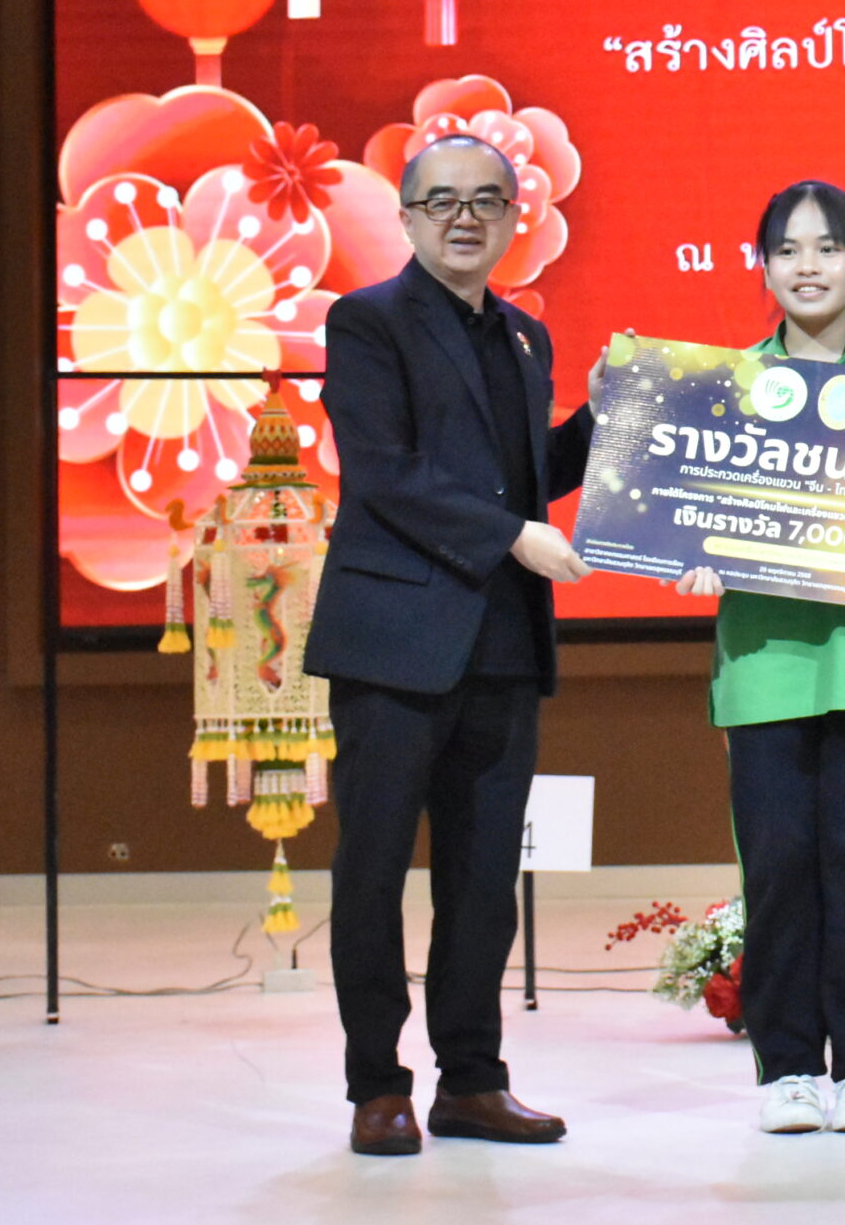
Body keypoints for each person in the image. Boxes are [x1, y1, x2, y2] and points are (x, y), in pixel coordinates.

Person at [304, 134, 597, 1157]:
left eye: (485, 200)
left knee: (482, 882)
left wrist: (617, 414)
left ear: (516, 215)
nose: (464, 217)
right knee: (373, 870)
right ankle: (376, 1084)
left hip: (501, 643)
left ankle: (471, 1081)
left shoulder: (525, 338)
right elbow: (384, 473)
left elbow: (530, 474)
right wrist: (513, 535)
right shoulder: (367, 320)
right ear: (408, 216)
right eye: (442, 201)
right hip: (393, 643)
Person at [666, 181, 845, 1135]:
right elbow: (687, 521)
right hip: (765, 668)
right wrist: (695, 548)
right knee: (777, 871)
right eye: (786, 249)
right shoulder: (727, 390)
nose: (807, 266)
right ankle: (785, 1068)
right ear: (764, 267)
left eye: (828, 248)